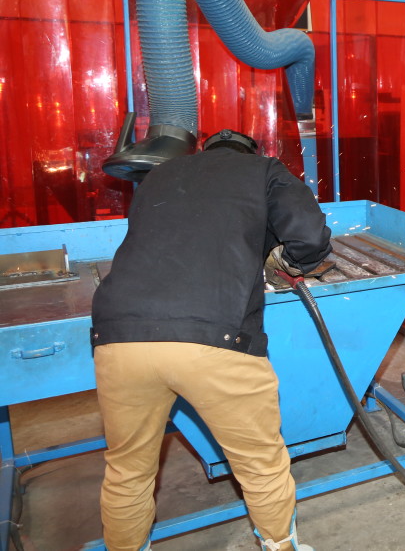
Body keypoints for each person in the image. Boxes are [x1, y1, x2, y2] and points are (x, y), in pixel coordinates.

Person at [91, 129, 332, 551]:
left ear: (204, 151)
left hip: (120, 333)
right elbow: (309, 237)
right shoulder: (264, 170)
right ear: (251, 152)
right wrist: (290, 262)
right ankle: (280, 544)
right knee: (260, 466)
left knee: (127, 471)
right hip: (215, 337)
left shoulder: (159, 176)